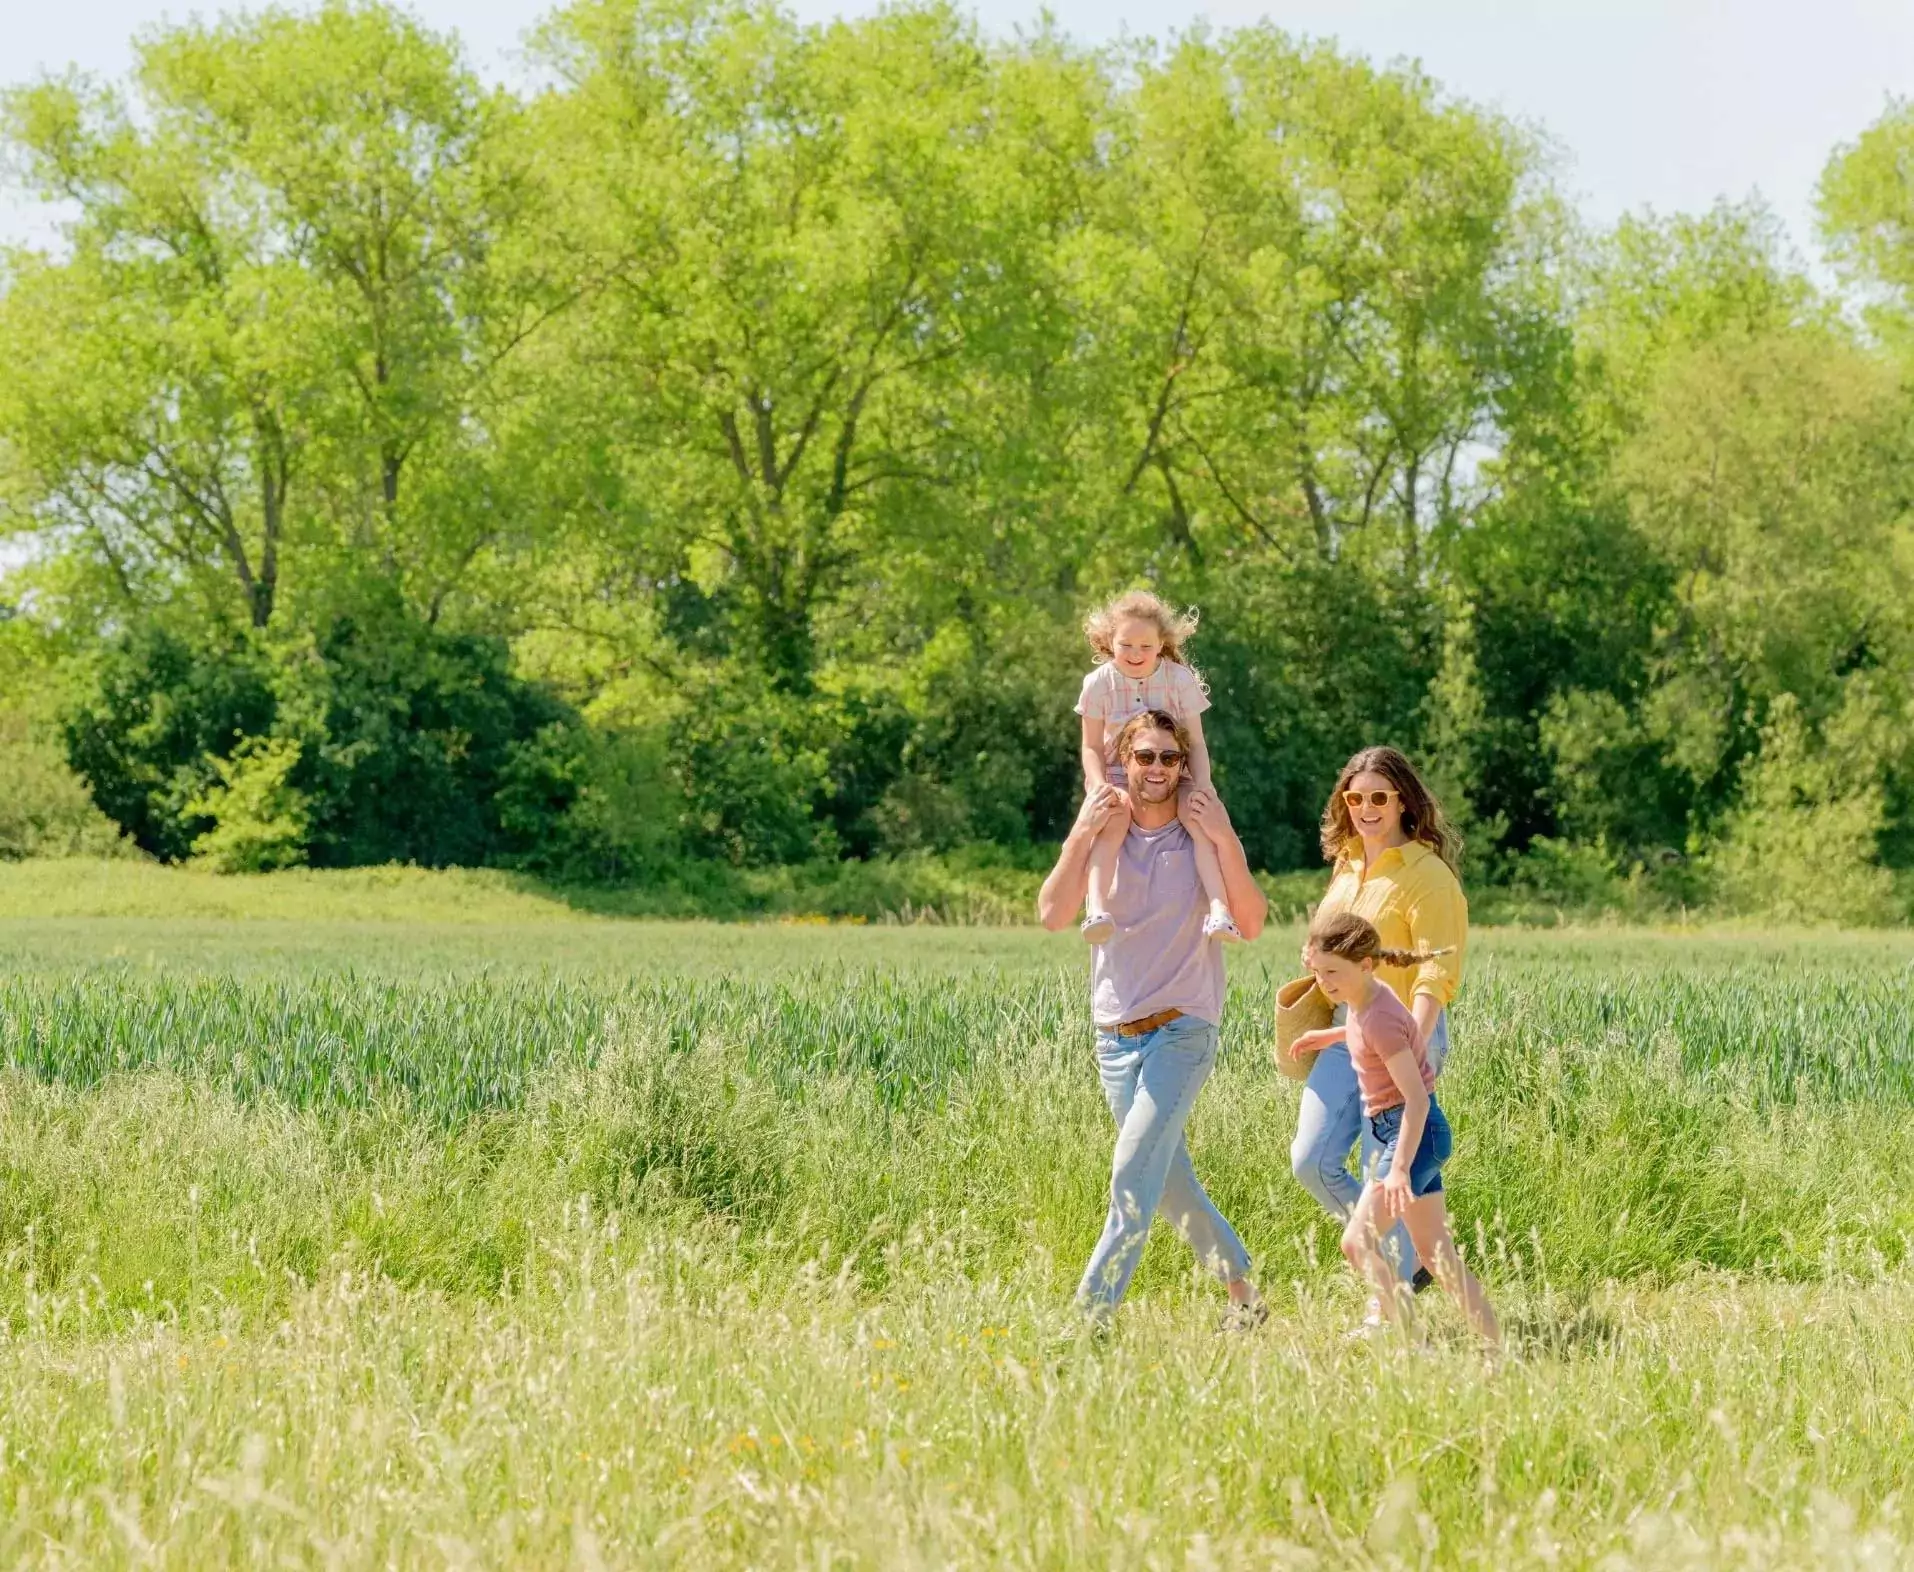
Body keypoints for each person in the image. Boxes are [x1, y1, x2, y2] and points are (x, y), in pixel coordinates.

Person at [1038, 708, 1268, 1327]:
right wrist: (1078, 835)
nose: (1158, 769)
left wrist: (1226, 837)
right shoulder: (1106, 829)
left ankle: (1088, 1322)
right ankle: (1244, 1298)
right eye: (1145, 757)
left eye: (1171, 757)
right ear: (1125, 761)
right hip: (1114, 1038)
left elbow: (1249, 923)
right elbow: (1054, 915)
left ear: (1184, 765)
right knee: (1167, 1182)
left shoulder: (1200, 834)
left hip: (1183, 1029)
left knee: (1131, 1175)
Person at [1289, 746, 1467, 1315]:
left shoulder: (1427, 874)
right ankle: (1410, 1259)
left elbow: (1435, 971)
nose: (1366, 808)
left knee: (1382, 1170)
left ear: (1403, 803)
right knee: (1310, 1159)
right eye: (1356, 797)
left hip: (1402, 1033)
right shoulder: (1345, 866)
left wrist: (1411, 1044)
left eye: (1379, 798)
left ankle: (1384, 1309)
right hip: (1347, 1031)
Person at [1291, 911, 1500, 1354]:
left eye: (1333, 972)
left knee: (1357, 1242)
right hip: (1417, 1130)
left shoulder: (1380, 1017)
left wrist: (1400, 1168)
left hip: (1411, 1130)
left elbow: (1417, 1099)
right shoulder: (1367, 997)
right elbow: (1361, 1028)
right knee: (1435, 1255)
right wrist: (1325, 1037)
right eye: (1318, 972)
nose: (1325, 983)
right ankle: (1497, 1349)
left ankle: (1414, 1348)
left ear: (1365, 964)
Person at [1074, 591, 1241, 945]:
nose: (1135, 654)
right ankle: (1097, 909)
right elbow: (1090, 745)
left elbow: (1195, 744)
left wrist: (1203, 787)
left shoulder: (1179, 680)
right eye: (1126, 645)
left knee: (1197, 817)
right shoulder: (1098, 683)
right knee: (1114, 815)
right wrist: (1097, 784)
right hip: (1117, 773)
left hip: (1172, 771)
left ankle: (1219, 911)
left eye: (1145, 646)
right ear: (1109, 642)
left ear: (1161, 643)